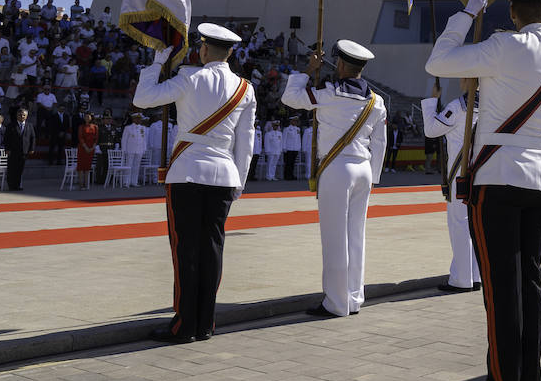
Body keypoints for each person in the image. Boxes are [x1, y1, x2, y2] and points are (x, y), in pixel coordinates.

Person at [425, 0, 541, 381]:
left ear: (513, 13)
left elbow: (438, 61)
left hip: (498, 179)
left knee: (500, 293)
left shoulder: (501, 46)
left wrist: (468, 11)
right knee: (530, 288)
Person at [133, 23, 257, 344]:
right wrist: (239, 183)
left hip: (187, 172)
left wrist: (158, 63)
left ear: (202, 50)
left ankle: (184, 325)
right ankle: (205, 323)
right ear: (230, 53)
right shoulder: (245, 88)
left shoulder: (189, 78)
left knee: (185, 250)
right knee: (212, 249)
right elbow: (246, 143)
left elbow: (143, 98)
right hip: (224, 176)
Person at [283, 41, 387, 319]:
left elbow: (290, 98)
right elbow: (380, 143)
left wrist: (309, 69)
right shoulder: (377, 101)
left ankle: (336, 303)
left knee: (334, 238)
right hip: (364, 168)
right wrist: (374, 177)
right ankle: (354, 297)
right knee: (356, 236)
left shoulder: (327, 94)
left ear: (340, 65)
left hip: (336, 169)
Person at [421, 77, 482, 293]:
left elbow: (431, 130)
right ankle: (475, 276)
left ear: (467, 80)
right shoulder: (492, 107)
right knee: (475, 226)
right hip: (481, 175)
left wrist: (431, 100)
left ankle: (461, 279)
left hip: (460, 174)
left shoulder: (458, 107)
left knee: (460, 225)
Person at [7, 105, 36, 190]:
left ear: (26, 116)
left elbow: (33, 137)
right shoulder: (11, 125)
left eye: (24, 115)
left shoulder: (29, 125)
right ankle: (11, 185)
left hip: (24, 151)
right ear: (17, 115)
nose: (22, 116)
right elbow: (7, 138)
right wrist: (7, 149)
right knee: (12, 169)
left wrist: (32, 148)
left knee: (20, 169)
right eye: (20, 115)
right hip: (13, 150)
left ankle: (17, 185)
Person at [76, 111, 99, 189]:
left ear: (91, 118)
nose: (87, 118)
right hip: (83, 148)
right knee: (81, 166)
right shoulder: (81, 127)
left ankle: (86, 185)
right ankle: (81, 184)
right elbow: (80, 137)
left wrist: (92, 147)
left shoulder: (95, 127)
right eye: (86, 116)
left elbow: (96, 138)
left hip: (91, 148)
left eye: (88, 116)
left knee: (87, 167)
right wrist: (85, 147)